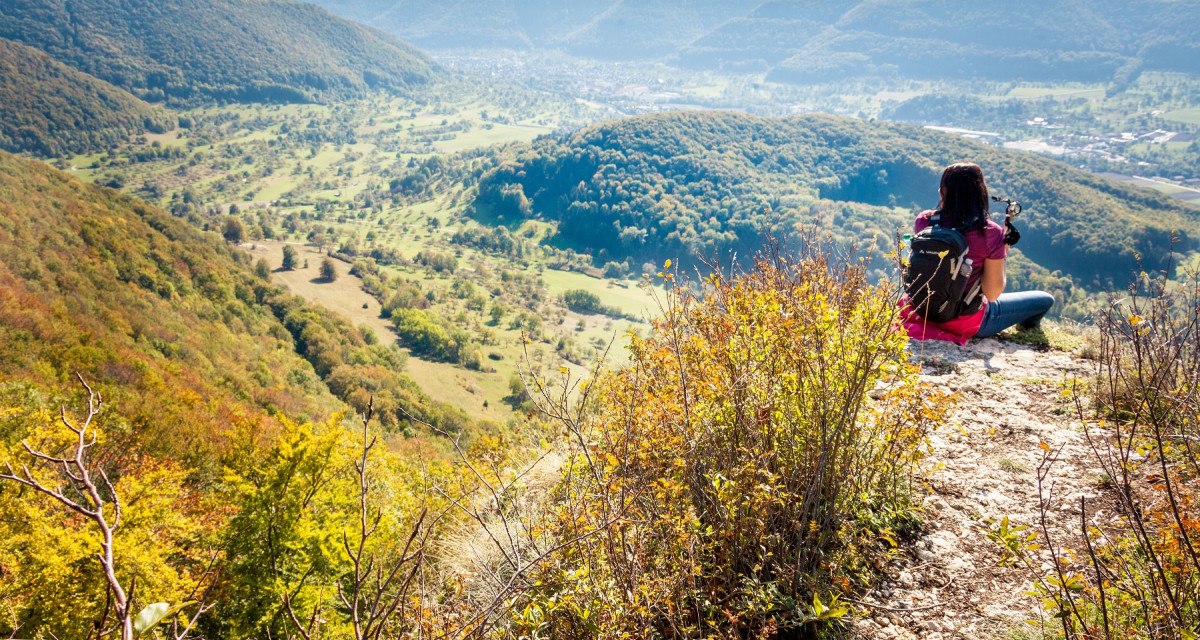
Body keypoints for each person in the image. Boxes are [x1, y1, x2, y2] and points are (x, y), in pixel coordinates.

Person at [901, 162, 1054, 345]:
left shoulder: (925, 221)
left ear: (942, 192)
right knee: (1045, 300)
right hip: (963, 322)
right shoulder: (990, 232)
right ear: (981, 193)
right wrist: (1003, 252)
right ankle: (1029, 334)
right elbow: (992, 293)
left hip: (918, 311)